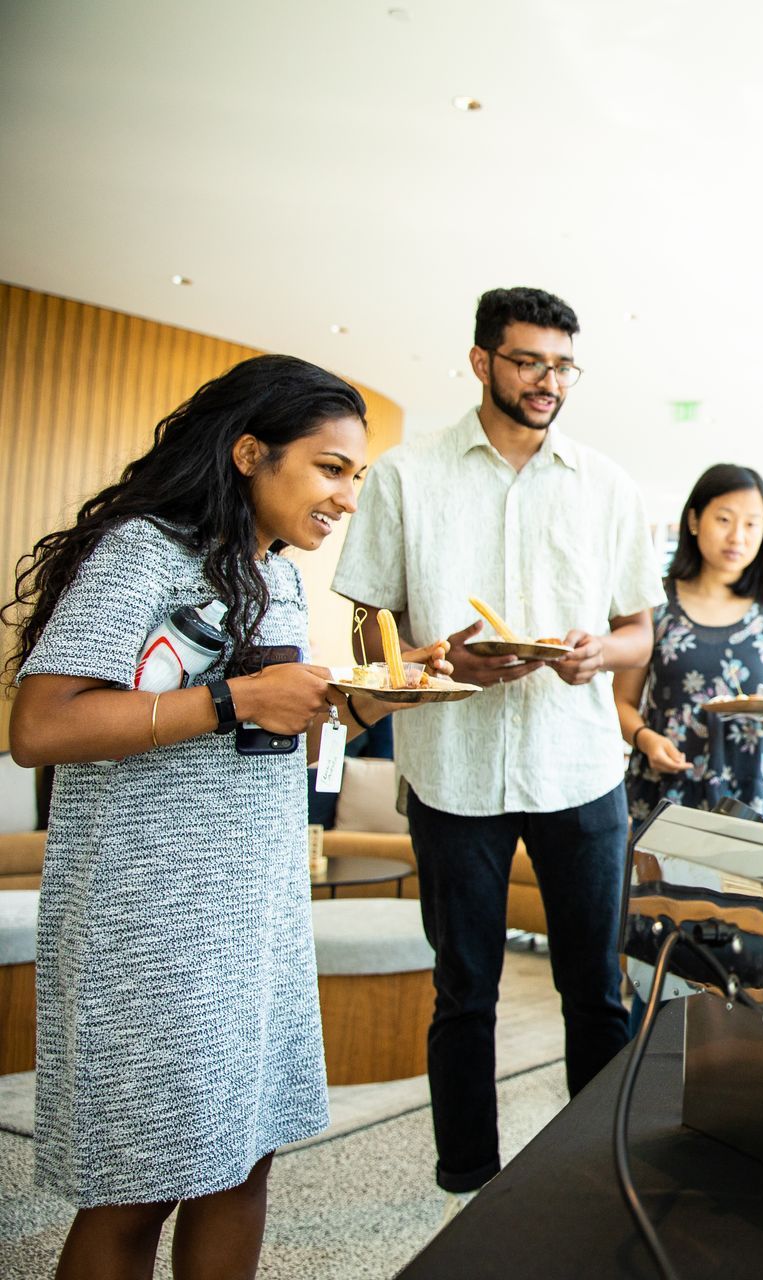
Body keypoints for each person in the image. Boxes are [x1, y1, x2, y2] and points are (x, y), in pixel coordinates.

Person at [4, 355, 450, 1279]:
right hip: (149, 920)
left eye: (356, 476)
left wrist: (382, 693)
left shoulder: (277, 576)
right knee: (136, 1190)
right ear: (251, 451)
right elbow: (40, 726)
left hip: (255, 917)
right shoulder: (144, 551)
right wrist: (239, 700)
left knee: (244, 1164)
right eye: (331, 468)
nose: (348, 498)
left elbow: (277, 722)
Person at [332, 286, 666, 1198]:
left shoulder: (606, 484)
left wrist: (604, 651)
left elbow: (641, 627)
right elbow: (371, 633)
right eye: (528, 361)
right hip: (453, 772)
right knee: (465, 992)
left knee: (596, 990)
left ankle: (604, 1175)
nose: (548, 380)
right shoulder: (407, 476)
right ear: (481, 362)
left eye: (563, 364)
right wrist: (435, 666)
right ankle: (468, 1180)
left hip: (580, 768)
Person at [616, 464, 763, 822]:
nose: (738, 536)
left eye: (752, 523)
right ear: (694, 519)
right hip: (668, 787)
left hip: (755, 793)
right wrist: (645, 739)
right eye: (724, 519)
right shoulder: (655, 599)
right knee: (662, 881)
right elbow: (622, 702)